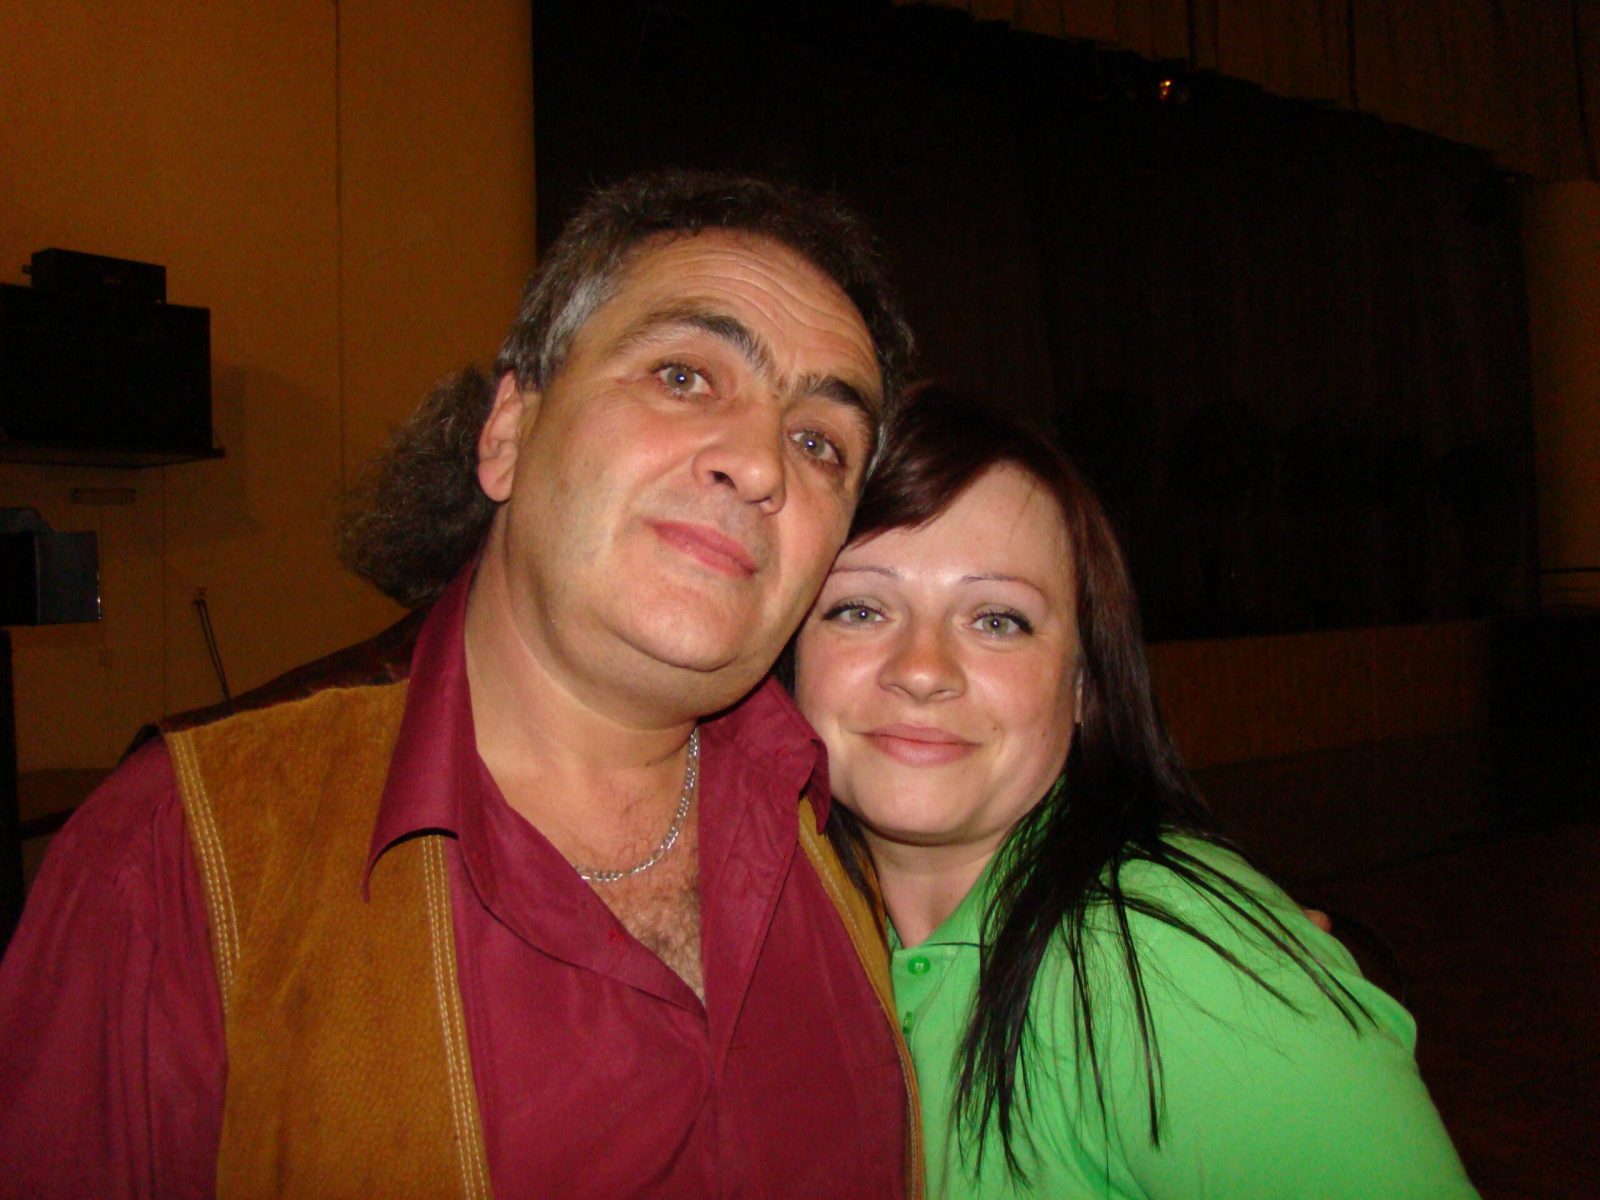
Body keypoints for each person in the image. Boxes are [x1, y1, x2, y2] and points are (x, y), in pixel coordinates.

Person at [0, 171, 923, 1199]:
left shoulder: (855, 834)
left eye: (818, 443)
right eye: (683, 376)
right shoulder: (176, 859)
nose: (760, 464)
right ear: (507, 432)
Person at [790, 386, 1480, 1198]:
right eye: (860, 609)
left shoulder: (1162, 961)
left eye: (998, 620)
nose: (921, 669)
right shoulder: (791, 935)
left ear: (1084, 684)